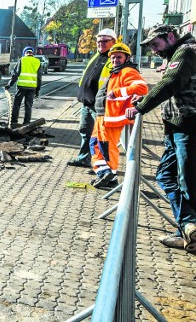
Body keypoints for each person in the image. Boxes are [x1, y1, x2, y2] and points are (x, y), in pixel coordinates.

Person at [125, 24, 196, 251]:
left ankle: (189, 228)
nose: (154, 50)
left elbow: (172, 82)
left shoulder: (186, 51)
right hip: (176, 126)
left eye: (156, 44)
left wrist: (142, 106)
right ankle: (187, 227)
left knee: (187, 180)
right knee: (166, 175)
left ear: (171, 37)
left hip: (189, 126)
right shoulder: (178, 53)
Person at [89, 43, 148, 188]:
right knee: (95, 144)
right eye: (113, 57)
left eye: (119, 57)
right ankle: (103, 173)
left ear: (127, 58)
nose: (115, 59)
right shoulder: (116, 71)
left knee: (107, 147)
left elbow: (142, 88)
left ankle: (111, 177)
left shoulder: (127, 71)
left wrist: (117, 93)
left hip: (112, 118)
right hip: (103, 116)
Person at [67, 28, 117, 168]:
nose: (101, 43)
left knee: (100, 136)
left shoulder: (113, 58)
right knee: (85, 131)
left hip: (100, 106)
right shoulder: (97, 56)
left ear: (113, 42)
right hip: (87, 103)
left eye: (105, 41)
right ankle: (84, 158)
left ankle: (103, 166)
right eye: (98, 41)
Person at [5, 46, 41, 127]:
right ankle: (26, 123)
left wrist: (9, 84)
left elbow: (15, 74)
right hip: (32, 87)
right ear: (32, 53)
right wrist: (38, 90)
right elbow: (39, 78)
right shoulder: (37, 62)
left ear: (25, 53)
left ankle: (14, 121)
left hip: (21, 87)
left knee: (16, 104)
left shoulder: (22, 60)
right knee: (28, 106)